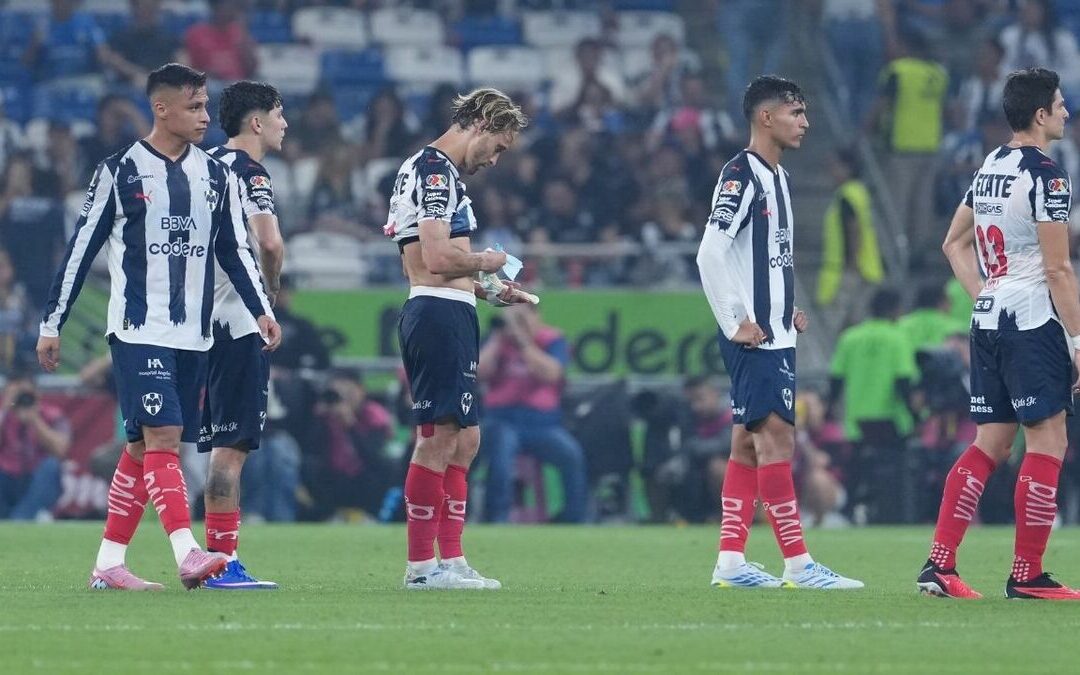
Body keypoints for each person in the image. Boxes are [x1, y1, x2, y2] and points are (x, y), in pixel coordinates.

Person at [36, 63, 280, 591]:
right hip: (138, 328)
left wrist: (262, 308)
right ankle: (188, 552)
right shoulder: (120, 171)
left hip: (195, 335)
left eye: (206, 106)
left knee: (144, 450)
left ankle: (108, 563)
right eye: (193, 107)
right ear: (160, 108)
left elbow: (234, 250)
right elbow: (80, 252)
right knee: (165, 437)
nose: (205, 117)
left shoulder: (216, 176)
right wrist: (52, 323)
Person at [695, 75, 862, 590]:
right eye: (796, 112)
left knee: (747, 445)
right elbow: (710, 250)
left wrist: (786, 308)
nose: (805, 122)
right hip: (755, 337)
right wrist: (735, 318)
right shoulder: (741, 174)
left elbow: (765, 256)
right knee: (777, 439)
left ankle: (730, 563)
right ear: (765, 117)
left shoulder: (779, 178)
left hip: (774, 330)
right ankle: (798, 564)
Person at [920, 67, 1080, 600]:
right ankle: (1028, 574)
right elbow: (1059, 270)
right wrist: (1078, 342)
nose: (1065, 111)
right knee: (1048, 440)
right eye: (1059, 104)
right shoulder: (1048, 176)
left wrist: (987, 294)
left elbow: (953, 243)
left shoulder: (991, 166)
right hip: (1031, 321)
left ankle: (940, 565)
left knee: (990, 441)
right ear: (1039, 115)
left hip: (988, 318)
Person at [384, 87, 532, 590]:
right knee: (439, 437)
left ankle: (452, 561)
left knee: (465, 438)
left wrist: (489, 289)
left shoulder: (435, 173)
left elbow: (444, 265)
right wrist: (486, 261)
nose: (495, 160)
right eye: (499, 146)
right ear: (482, 123)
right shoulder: (433, 170)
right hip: (435, 314)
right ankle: (422, 568)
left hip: (452, 309)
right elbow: (435, 259)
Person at [197, 80, 287, 590]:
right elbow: (268, 243)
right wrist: (268, 297)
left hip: (195, 322)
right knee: (231, 452)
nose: (284, 124)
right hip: (238, 320)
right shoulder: (250, 173)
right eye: (278, 115)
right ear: (256, 122)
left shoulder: (204, 165)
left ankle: (112, 554)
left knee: (171, 445)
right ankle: (222, 562)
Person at [477, 304, 588, 524]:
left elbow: (551, 374)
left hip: (543, 424)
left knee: (572, 456)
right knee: (500, 456)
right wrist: (498, 339)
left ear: (536, 316)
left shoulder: (552, 340)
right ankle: (497, 518)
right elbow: (478, 373)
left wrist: (524, 341)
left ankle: (573, 518)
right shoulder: (495, 340)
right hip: (502, 419)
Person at [0, 365, 70, 520]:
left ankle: (20, 519)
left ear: (37, 393)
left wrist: (35, 420)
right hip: (7, 477)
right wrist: (6, 408)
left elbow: (61, 450)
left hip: (37, 477)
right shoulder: (4, 415)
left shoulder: (51, 415)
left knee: (51, 466)